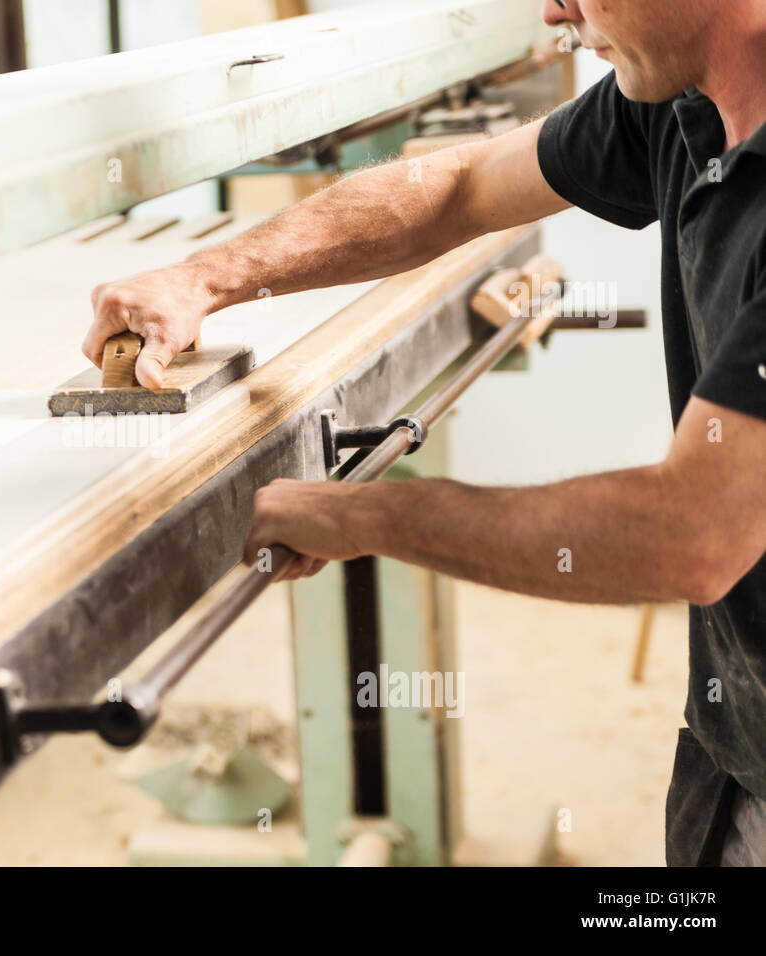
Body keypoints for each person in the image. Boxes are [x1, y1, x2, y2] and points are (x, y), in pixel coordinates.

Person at [82, 0, 766, 866]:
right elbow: (463, 186)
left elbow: (691, 537)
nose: (556, 9)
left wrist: (363, 516)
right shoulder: (683, 108)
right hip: (736, 745)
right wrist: (203, 280)